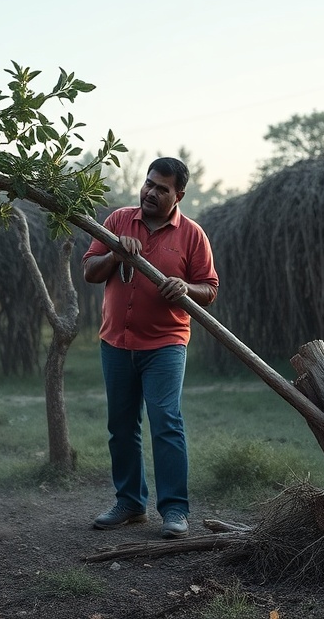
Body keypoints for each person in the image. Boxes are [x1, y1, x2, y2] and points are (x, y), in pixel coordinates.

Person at [82, 157, 219, 539]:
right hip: (116, 342)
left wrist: (184, 287)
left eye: (162, 188)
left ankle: (174, 510)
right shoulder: (117, 222)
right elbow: (90, 271)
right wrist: (115, 254)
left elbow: (209, 288)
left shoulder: (192, 235)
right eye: (149, 184)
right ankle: (130, 503)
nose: (151, 192)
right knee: (121, 426)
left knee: (166, 423)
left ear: (179, 195)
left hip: (165, 345)